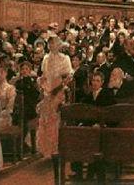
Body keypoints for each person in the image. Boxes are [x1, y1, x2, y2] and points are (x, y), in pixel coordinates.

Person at [36, 36, 73, 179]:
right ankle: (48, 150)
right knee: (46, 118)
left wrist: (58, 88)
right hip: (48, 91)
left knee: (56, 118)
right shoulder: (46, 58)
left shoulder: (65, 59)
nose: (52, 46)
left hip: (59, 91)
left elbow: (68, 77)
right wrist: (42, 84)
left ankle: (58, 148)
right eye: (50, 44)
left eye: (54, 44)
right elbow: (44, 75)